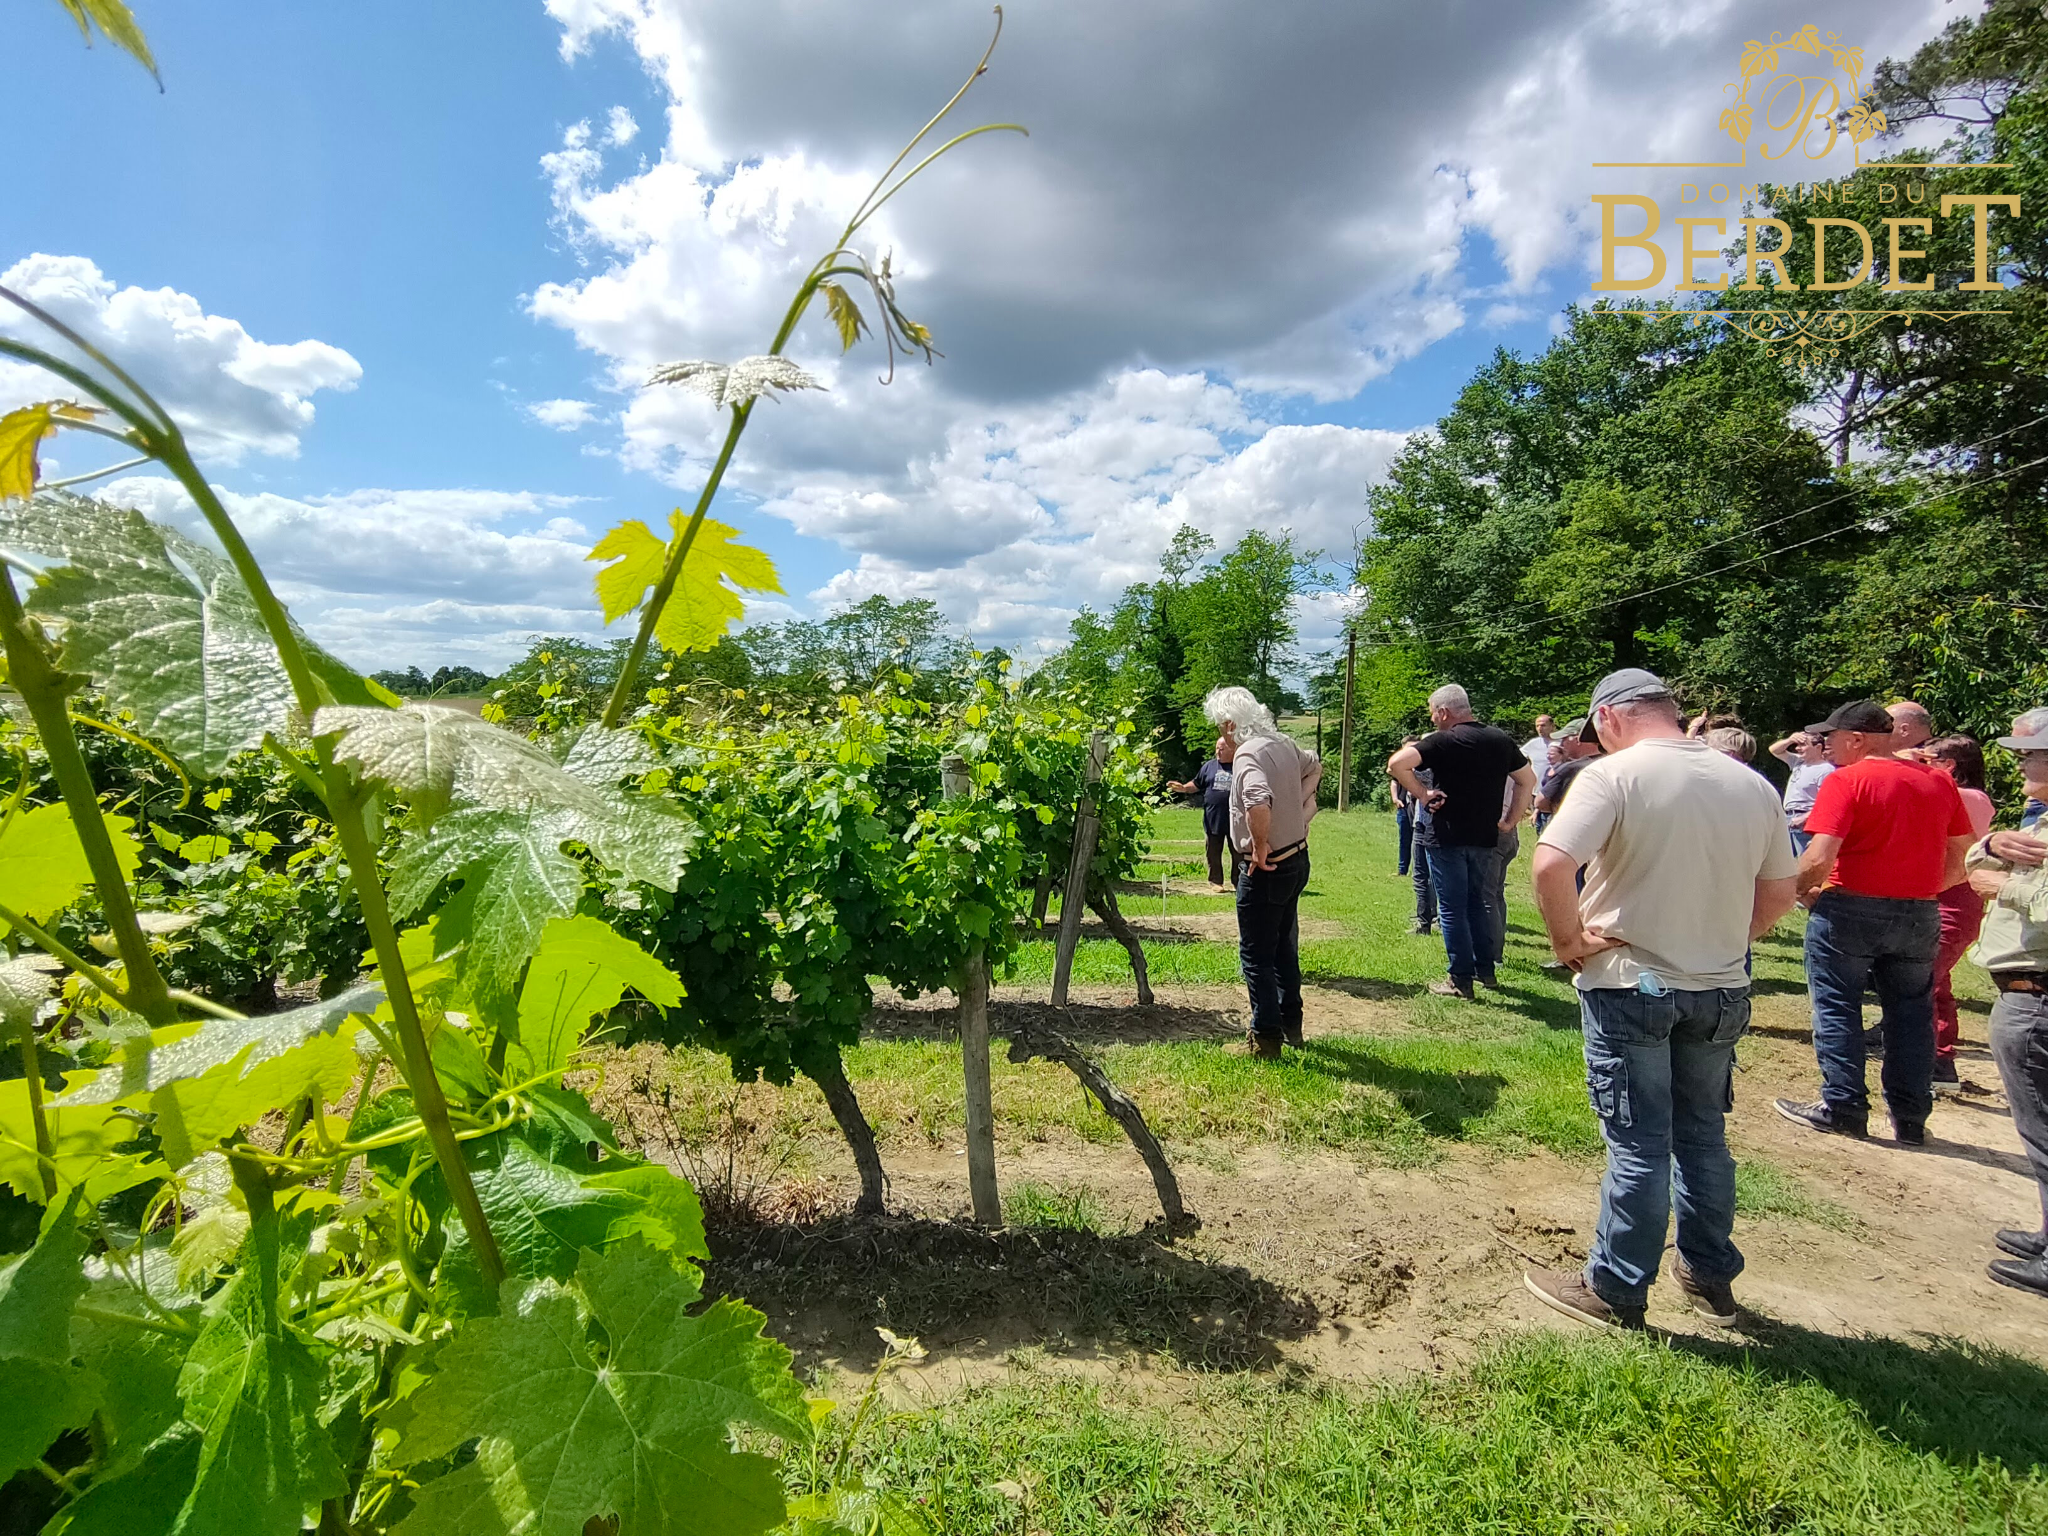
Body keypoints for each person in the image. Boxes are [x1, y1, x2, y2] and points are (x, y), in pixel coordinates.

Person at [1524, 667, 1798, 1331]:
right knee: (1703, 1136)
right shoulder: (1751, 783)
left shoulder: (1615, 776)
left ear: (1612, 716)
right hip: (1721, 990)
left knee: (1639, 1143)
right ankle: (1708, 1279)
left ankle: (1615, 1288)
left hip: (1631, 984)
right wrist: (1728, 940)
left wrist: (1567, 940)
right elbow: (1782, 891)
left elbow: (1551, 862)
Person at [1774, 701, 1974, 1146]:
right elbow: (1965, 853)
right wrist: (1925, 887)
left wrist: (1795, 892)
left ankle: (1844, 1107)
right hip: (1919, 911)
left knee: (1837, 1006)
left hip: (1850, 907)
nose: (1826, 745)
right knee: (1911, 1013)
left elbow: (1819, 854)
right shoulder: (1939, 782)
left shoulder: (1847, 780)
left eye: (1832, 737)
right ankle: (1911, 1117)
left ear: (1858, 739)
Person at [1962, 712, 2048, 1300]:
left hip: (2037, 996)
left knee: (2043, 1129)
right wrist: (1989, 845)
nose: (2019, 765)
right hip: (2023, 991)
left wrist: (2003, 886)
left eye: (2029, 755)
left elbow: (2009, 889)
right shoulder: (2037, 819)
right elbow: (1976, 863)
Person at [1389, 685, 1534, 999]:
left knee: (1453, 909)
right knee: (1479, 904)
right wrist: (1510, 820)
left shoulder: (1441, 741)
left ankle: (1460, 979)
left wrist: (1423, 794)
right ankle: (1487, 971)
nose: (1432, 718)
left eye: (1432, 711)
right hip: (1486, 836)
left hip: (1446, 835)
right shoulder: (1500, 739)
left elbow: (1396, 765)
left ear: (1444, 712)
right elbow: (1528, 781)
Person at [1208, 686, 1321, 1059]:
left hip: (1266, 868)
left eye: (1219, 728)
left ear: (1230, 724)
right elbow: (1315, 765)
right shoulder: (1283, 742)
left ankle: (1265, 1038)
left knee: (1257, 955)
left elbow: (1257, 800)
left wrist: (1258, 846)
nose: (1219, 735)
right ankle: (1292, 1024)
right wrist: (1300, 815)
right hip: (1296, 859)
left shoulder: (1248, 755)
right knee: (1285, 948)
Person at [1925, 735, 1997, 1094]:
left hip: (1955, 897)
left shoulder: (1969, 797)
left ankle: (1933, 1063)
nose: (1922, 764)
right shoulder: (1965, 795)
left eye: (1930, 759)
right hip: (1945, 894)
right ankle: (1940, 1060)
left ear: (1949, 765)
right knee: (1938, 985)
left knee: (1924, 980)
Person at [1167, 734, 1240, 890]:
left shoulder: (1241, 766)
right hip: (1213, 817)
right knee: (1213, 851)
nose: (1218, 752)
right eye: (1216, 749)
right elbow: (1197, 783)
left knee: (1238, 852)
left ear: (1233, 749)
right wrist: (1184, 788)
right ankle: (1216, 882)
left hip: (1237, 819)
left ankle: (1239, 881)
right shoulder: (1209, 766)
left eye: (1221, 749)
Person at [1768, 730, 1833, 854]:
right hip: (1787, 818)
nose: (1797, 748)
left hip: (1805, 822)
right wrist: (1790, 740)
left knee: (1804, 864)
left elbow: (1827, 802)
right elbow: (1774, 750)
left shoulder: (1826, 770)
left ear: (1818, 747)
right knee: (1786, 865)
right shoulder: (1798, 762)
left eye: (1803, 745)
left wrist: (1804, 818)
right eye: (1796, 745)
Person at [1393, 735, 1421, 877]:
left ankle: (1419, 871)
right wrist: (1395, 798)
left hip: (1420, 806)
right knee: (1404, 839)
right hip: (1404, 805)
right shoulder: (1401, 765)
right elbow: (1393, 779)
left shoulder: (1423, 765)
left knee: (1419, 840)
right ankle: (1402, 870)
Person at [1521, 715, 1557, 816]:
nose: (1540, 729)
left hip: (1556, 790)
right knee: (1538, 822)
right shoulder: (1533, 744)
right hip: (1536, 791)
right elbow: (1518, 758)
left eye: (1543, 725)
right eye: (1537, 726)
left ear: (1552, 726)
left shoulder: (1561, 743)